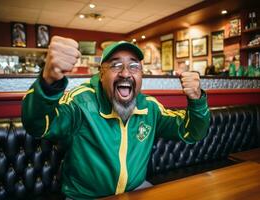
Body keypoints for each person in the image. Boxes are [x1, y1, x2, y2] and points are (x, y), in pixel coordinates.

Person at [22, 36, 210, 199]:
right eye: (116, 65)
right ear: (101, 74)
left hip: (136, 191)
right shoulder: (80, 103)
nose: (126, 73)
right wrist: (48, 82)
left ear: (141, 74)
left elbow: (192, 132)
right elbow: (38, 125)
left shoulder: (150, 108)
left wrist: (197, 100)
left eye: (134, 65)